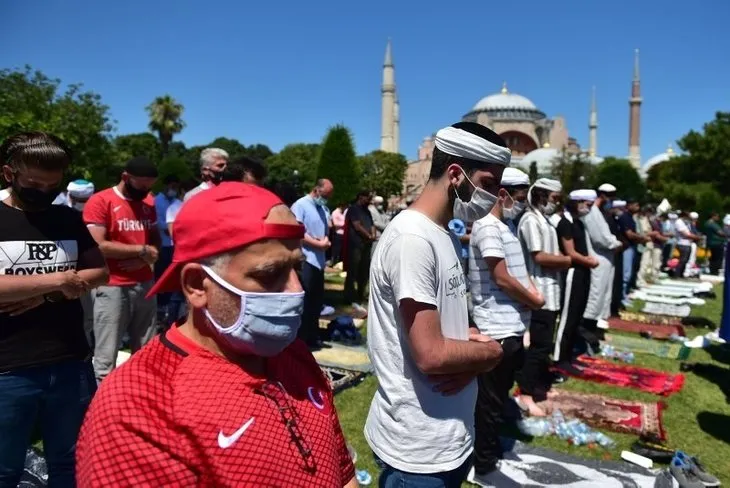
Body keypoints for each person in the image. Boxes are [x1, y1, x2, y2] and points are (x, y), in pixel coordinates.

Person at [76, 182, 357, 487]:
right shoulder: (140, 405)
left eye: (296, 269)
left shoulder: (293, 354)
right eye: (268, 275)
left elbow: (343, 472)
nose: (296, 290)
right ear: (197, 284)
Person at [365, 122, 506, 488]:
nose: (493, 198)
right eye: (489, 185)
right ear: (456, 175)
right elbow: (430, 354)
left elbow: (442, 329)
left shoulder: (441, 233)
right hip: (419, 448)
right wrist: (491, 354)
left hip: (447, 433)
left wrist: (468, 344)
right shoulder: (413, 238)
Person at [0, 132, 108, 486]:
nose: (43, 191)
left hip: (69, 362)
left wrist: (48, 294)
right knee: (5, 466)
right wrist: (59, 281)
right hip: (9, 368)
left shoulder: (66, 218)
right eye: (33, 183)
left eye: (53, 184)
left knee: (69, 461)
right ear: (8, 174)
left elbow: (99, 272)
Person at [469, 168, 544, 484]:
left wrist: (530, 294)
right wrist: (534, 298)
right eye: (519, 195)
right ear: (502, 194)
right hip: (494, 327)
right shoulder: (487, 227)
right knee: (488, 400)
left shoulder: (507, 225)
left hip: (511, 324)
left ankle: (488, 448)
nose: (522, 201)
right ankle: (482, 463)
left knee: (497, 396)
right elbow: (500, 276)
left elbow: (517, 270)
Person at [83, 156, 161, 381]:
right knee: (107, 355)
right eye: (141, 184)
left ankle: (140, 395)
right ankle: (102, 406)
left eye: (149, 185)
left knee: (146, 352)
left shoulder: (148, 202)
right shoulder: (101, 201)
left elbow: (155, 241)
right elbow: (99, 245)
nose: (145, 189)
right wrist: (142, 251)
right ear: (126, 177)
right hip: (112, 286)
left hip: (145, 283)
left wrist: (146, 256)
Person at [516, 178, 572, 416]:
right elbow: (539, 257)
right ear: (541, 195)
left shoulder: (545, 220)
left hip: (551, 291)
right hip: (538, 292)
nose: (555, 203)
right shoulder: (530, 220)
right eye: (553, 198)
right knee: (538, 346)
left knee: (544, 345)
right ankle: (525, 395)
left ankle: (538, 386)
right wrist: (571, 261)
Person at [554, 190, 599, 375]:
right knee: (568, 317)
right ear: (577, 202)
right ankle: (558, 358)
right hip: (573, 273)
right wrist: (588, 261)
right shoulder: (565, 223)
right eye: (587, 205)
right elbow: (570, 252)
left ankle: (568, 354)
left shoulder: (578, 223)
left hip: (583, 272)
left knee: (576, 316)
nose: (588, 209)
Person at [291, 179, 333, 349]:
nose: (326, 200)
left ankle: (312, 335)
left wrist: (325, 241)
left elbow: (326, 228)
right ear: (316, 190)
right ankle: (300, 339)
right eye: (325, 196)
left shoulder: (322, 208)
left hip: (319, 261)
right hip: (306, 258)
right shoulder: (300, 205)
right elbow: (298, 232)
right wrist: (318, 244)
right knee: (305, 301)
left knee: (316, 302)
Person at [582, 184, 622, 352]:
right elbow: (601, 238)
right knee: (595, 296)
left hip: (606, 258)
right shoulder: (592, 213)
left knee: (603, 296)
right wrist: (616, 243)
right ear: (603, 196)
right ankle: (587, 331)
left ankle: (595, 329)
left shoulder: (599, 213)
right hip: (598, 258)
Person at [66, 179, 97, 346]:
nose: (81, 204)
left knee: (88, 318)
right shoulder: (60, 212)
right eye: (78, 201)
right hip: (65, 273)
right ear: (70, 196)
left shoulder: (95, 212)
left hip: (88, 273)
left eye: (85, 201)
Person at [154, 175, 182, 324]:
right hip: (162, 245)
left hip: (174, 246)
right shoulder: (156, 201)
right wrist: (169, 227)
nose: (173, 190)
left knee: (171, 279)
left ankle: (167, 310)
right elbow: (160, 224)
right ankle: (159, 308)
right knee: (159, 277)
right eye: (171, 187)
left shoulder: (178, 203)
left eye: (175, 187)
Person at [343, 190, 375, 314]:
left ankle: (361, 295)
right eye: (368, 198)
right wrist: (368, 235)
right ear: (361, 197)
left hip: (366, 245)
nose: (369, 200)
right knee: (353, 271)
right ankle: (349, 296)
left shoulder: (367, 211)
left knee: (364, 272)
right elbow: (357, 226)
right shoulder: (354, 209)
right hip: (355, 245)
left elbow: (371, 224)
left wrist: (372, 234)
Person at [617, 199, 649, 302]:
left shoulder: (631, 218)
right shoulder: (625, 217)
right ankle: (622, 296)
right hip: (627, 247)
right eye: (635, 205)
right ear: (629, 205)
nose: (637, 208)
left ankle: (625, 294)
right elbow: (629, 234)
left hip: (632, 246)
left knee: (629, 272)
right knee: (625, 274)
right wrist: (642, 238)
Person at [674, 211, 701, 277]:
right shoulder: (679, 222)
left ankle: (681, 274)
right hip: (682, 242)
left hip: (688, 243)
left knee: (686, 260)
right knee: (683, 259)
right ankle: (677, 274)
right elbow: (685, 234)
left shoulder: (686, 222)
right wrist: (697, 237)